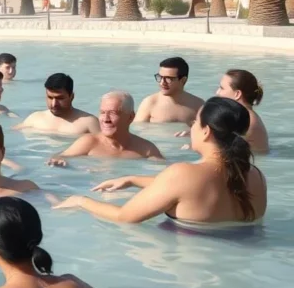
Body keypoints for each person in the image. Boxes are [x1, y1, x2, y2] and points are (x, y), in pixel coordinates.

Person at [54, 97, 267, 229]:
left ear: (206, 131)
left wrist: (81, 201)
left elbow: (124, 217)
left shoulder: (182, 173)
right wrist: (133, 179)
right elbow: (191, 188)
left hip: (187, 267)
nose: (191, 127)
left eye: (195, 122)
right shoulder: (256, 175)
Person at [46, 91, 163, 166]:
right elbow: (59, 158)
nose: (106, 119)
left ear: (131, 117)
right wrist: (59, 163)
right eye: (102, 112)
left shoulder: (146, 150)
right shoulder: (89, 143)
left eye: (113, 113)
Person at [13, 73, 99, 135]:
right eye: (50, 97)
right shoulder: (35, 119)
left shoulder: (89, 122)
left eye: (60, 98)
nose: (54, 104)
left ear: (72, 96)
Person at [134, 57, 204, 125]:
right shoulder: (150, 103)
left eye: (168, 78)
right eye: (160, 77)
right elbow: (137, 130)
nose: (162, 82)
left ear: (183, 80)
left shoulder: (198, 105)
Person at [213, 69, 268, 154]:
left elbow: (218, 150)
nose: (217, 92)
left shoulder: (245, 120)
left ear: (237, 94)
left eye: (222, 88)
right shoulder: (245, 115)